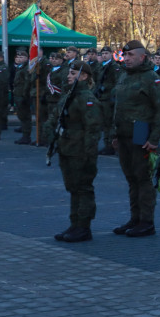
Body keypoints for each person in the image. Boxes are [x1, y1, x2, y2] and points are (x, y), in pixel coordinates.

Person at [111, 40, 160, 238]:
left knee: (143, 179)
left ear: (142, 57)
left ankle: (146, 221)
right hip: (125, 135)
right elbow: (117, 107)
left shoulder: (151, 78)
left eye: (130, 56)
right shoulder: (123, 76)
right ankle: (135, 218)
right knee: (131, 179)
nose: (126, 59)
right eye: (124, 55)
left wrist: (155, 139)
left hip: (142, 135)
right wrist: (115, 134)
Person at [49, 60, 102, 243]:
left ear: (84, 76)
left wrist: (89, 154)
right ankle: (75, 224)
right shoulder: (69, 95)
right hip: (68, 148)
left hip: (81, 151)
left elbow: (93, 128)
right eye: (69, 73)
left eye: (73, 73)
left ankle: (83, 227)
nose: (69, 76)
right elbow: (57, 118)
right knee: (73, 188)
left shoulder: (87, 98)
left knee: (83, 188)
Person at [12, 48, 33, 144]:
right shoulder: (20, 67)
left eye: (22, 57)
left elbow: (27, 83)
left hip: (23, 95)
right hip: (18, 94)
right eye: (18, 57)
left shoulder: (26, 68)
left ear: (26, 58)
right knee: (21, 116)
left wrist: (25, 96)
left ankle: (26, 136)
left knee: (25, 117)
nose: (19, 58)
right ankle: (25, 135)